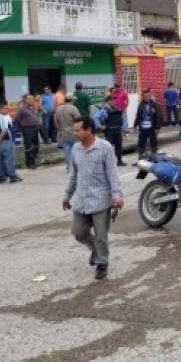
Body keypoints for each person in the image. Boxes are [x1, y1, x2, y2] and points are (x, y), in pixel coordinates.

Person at [62, 117, 124, 280]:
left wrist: (117, 196)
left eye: (78, 130)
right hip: (81, 199)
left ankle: (102, 264)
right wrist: (67, 196)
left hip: (101, 199)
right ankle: (95, 249)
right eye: (74, 130)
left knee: (101, 235)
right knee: (78, 232)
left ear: (88, 130)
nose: (75, 134)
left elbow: (112, 174)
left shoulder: (105, 148)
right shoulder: (75, 149)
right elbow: (73, 175)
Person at [0, 102, 22, 184]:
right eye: (6, 109)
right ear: (0, 109)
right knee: (9, 160)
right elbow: (4, 130)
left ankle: (0, 177)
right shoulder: (2, 117)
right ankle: (12, 176)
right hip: (6, 141)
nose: (7, 110)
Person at [134, 88, 163, 158]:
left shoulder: (155, 105)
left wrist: (157, 127)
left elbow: (158, 117)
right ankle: (141, 156)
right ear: (143, 97)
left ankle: (154, 155)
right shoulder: (141, 105)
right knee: (141, 142)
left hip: (152, 128)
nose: (147, 97)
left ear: (150, 96)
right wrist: (135, 125)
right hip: (143, 128)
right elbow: (138, 115)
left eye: (148, 96)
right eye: (145, 96)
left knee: (153, 142)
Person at [97, 95, 125, 166]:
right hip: (109, 131)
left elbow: (122, 118)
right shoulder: (104, 110)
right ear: (108, 101)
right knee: (108, 147)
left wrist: (123, 128)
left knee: (119, 146)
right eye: (112, 100)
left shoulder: (117, 108)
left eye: (114, 100)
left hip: (118, 130)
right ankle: (107, 163)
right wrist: (100, 126)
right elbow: (96, 117)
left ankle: (119, 161)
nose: (114, 102)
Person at [55, 93, 80, 171]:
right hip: (73, 133)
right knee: (76, 150)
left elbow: (56, 121)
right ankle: (76, 166)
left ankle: (69, 167)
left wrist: (59, 130)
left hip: (63, 133)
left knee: (66, 151)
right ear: (71, 100)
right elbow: (79, 120)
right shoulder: (73, 108)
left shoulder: (58, 109)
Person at [16, 95, 40, 169]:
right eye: (29, 99)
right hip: (27, 129)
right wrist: (21, 129)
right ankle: (31, 163)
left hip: (35, 128)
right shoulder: (22, 109)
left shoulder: (34, 107)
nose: (32, 100)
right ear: (26, 100)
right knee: (29, 146)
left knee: (36, 145)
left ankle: (32, 161)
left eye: (32, 99)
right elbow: (17, 119)